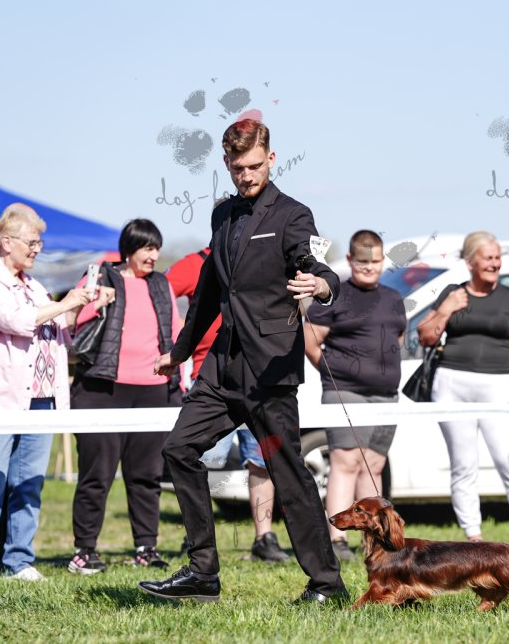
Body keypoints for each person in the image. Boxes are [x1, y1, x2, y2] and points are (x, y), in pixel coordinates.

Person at [144, 119, 346, 604]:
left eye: (255, 166)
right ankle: (203, 573)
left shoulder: (293, 214)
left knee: (288, 473)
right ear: (226, 164)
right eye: (238, 168)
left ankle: (327, 584)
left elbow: (315, 264)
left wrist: (321, 285)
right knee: (178, 450)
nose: (247, 175)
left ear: (271, 159)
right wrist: (179, 352)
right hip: (223, 366)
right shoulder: (222, 216)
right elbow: (209, 294)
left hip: (270, 370)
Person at [0, 203, 93, 581]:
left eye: (39, 243)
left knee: (29, 481)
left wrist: (84, 304)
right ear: (6, 242)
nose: (37, 250)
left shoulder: (32, 284)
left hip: (41, 396)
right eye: (32, 243)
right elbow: (15, 321)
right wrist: (64, 304)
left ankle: (18, 560)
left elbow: (57, 328)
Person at [67, 219, 183, 575]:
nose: (154, 255)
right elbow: (70, 320)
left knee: (146, 475)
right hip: (101, 390)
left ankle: (146, 548)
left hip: (153, 391)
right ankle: (84, 551)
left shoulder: (161, 284)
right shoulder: (100, 277)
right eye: (147, 248)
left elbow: (176, 331)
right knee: (96, 475)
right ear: (129, 249)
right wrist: (96, 300)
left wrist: (178, 378)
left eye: (156, 248)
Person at [166, 247, 288, 563]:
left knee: (260, 460)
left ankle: (264, 538)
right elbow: (161, 295)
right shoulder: (194, 264)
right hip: (210, 380)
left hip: (256, 378)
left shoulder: (259, 258)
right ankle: (196, 536)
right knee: (200, 458)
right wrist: (179, 334)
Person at [416, 231, 509, 546]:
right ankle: (474, 538)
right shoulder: (453, 292)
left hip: (498, 384)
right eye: (488, 258)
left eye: (498, 258)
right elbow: (426, 336)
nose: (495, 264)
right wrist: (447, 309)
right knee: (464, 464)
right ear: (470, 262)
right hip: (452, 384)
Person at [303, 230, 406, 561]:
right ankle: (337, 541)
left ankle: (374, 540)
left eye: (374, 262)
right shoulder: (336, 296)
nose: (369, 267)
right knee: (345, 461)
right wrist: (335, 373)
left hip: (386, 395)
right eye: (362, 261)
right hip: (345, 392)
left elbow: (398, 339)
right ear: (350, 260)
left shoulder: (393, 298)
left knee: (374, 465)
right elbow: (310, 341)